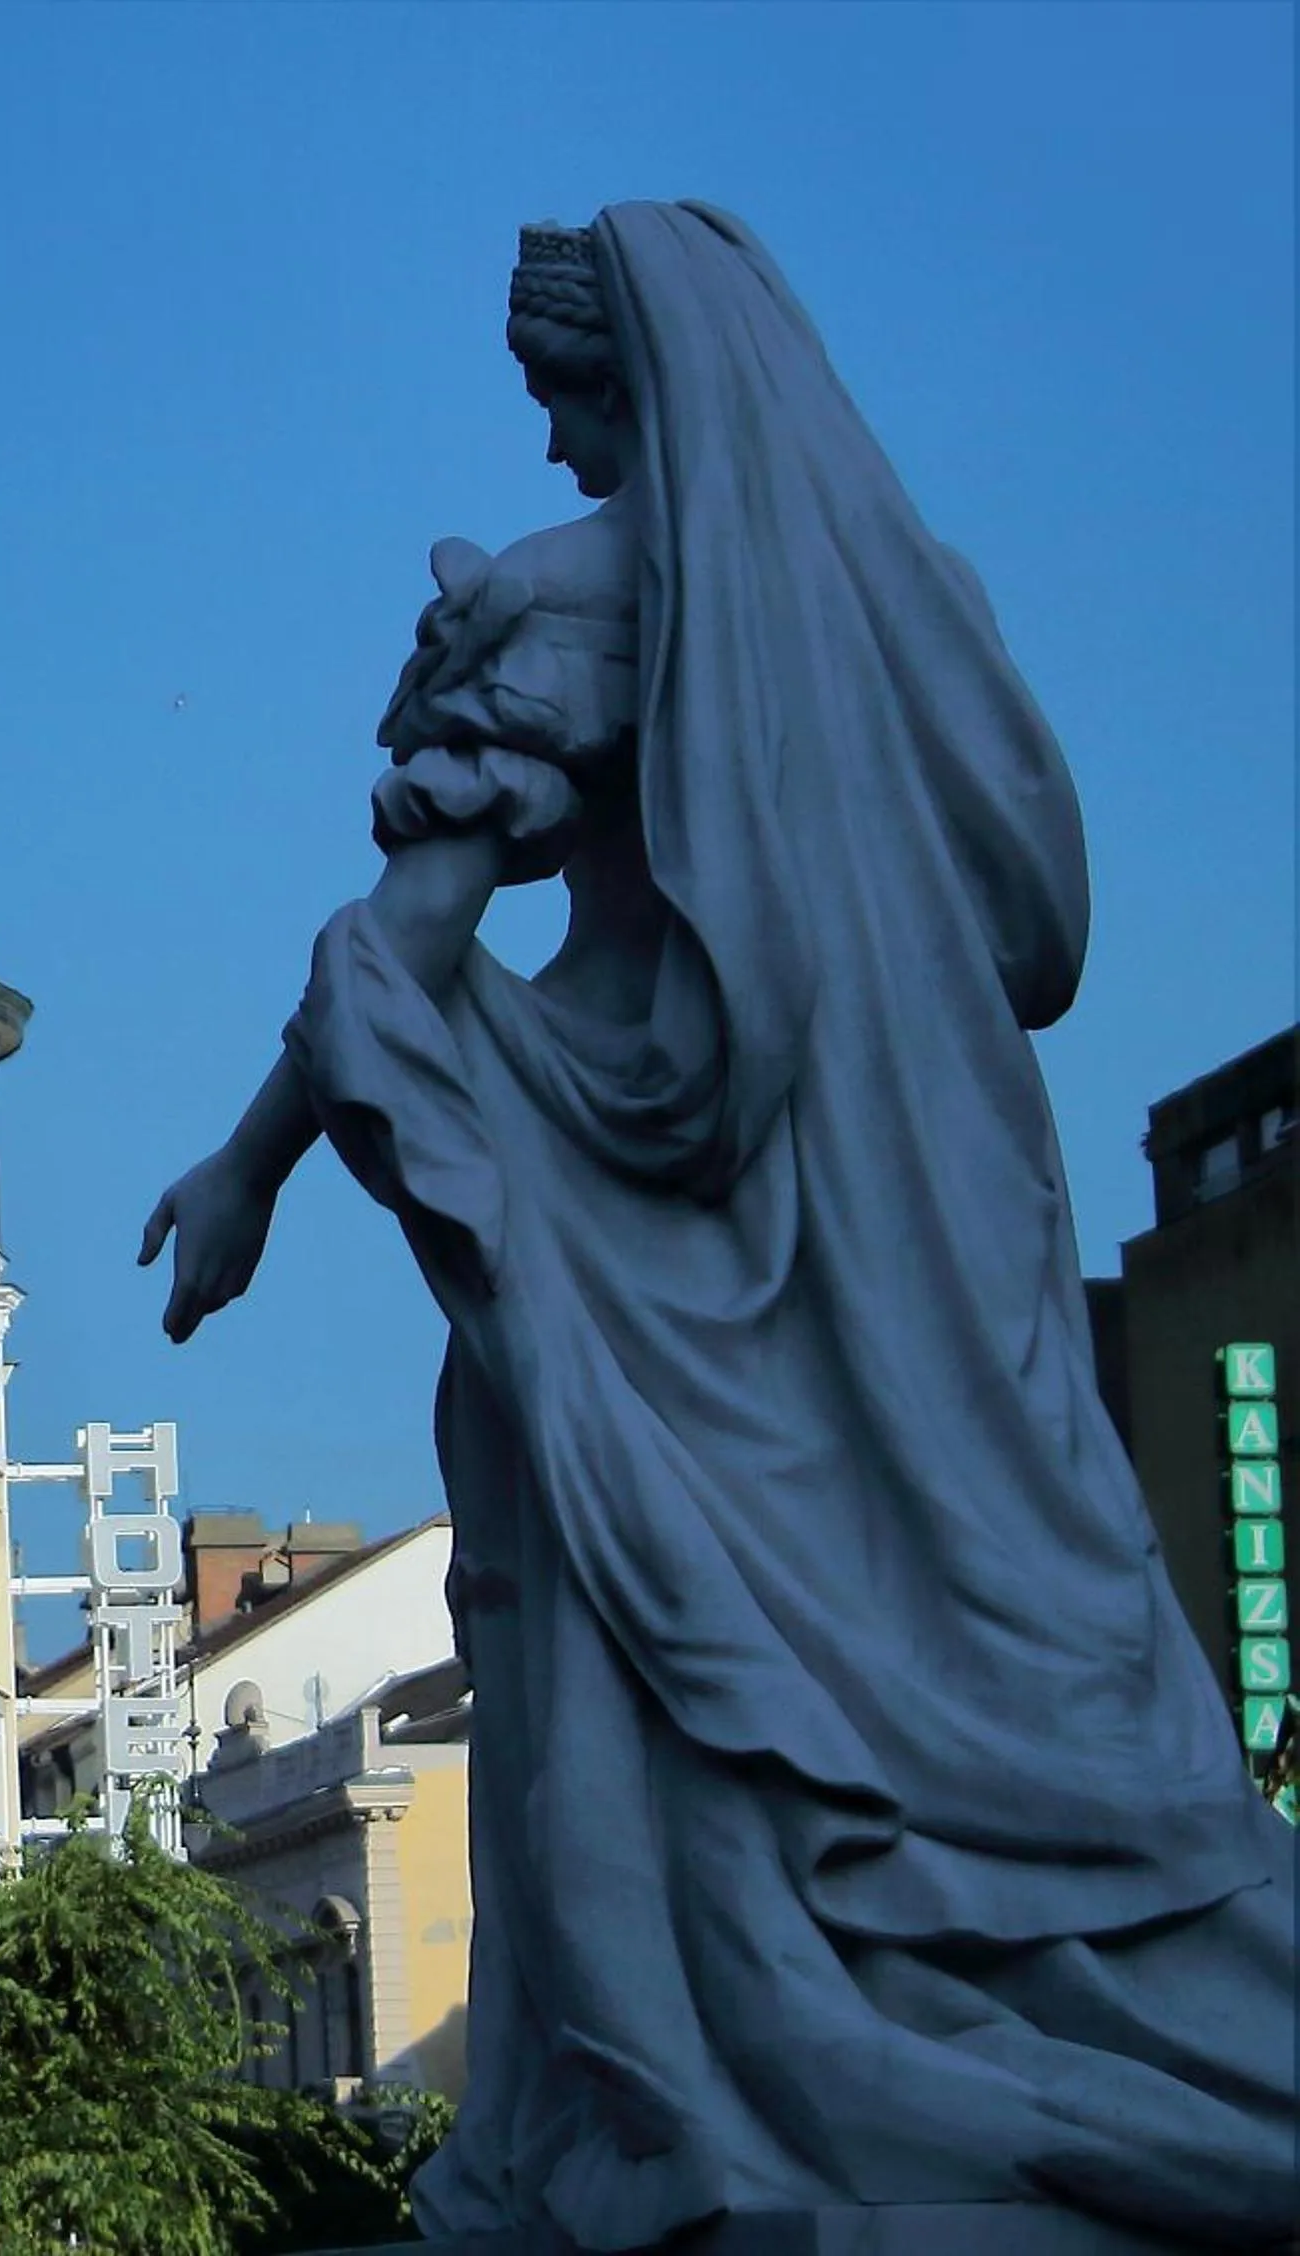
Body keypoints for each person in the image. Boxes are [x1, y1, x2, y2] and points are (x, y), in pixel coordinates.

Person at [140, 204, 1299, 2250]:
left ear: (636, 378)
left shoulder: (574, 606)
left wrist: (250, 1162)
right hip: (931, 1199)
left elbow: (401, 954)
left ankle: (680, 2115)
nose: (563, 444)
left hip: (651, 1226)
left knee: (615, 1641)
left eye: (567, 396)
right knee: (1004, 1605)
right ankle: (1089, 2022)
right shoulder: (900, 609)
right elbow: (1034, 934)